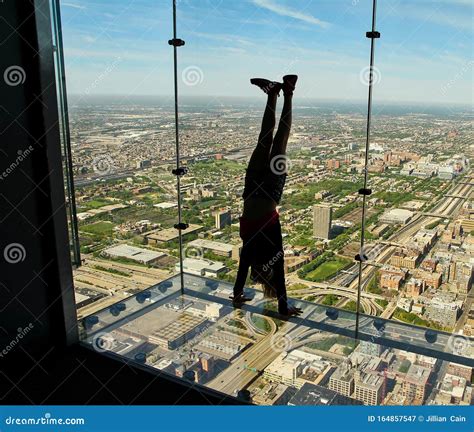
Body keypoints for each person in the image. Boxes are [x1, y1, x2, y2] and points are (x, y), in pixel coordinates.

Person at [231, 75, 302, 317]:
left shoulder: (273, 256)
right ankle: (277, 93)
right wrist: (238, 292)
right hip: (252, 189)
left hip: (270, 190)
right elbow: (243, 275)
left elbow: (277, 279)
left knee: (278, 140)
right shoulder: (251, 254)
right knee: (266, 139)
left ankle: (283, 92)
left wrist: (283, 306)